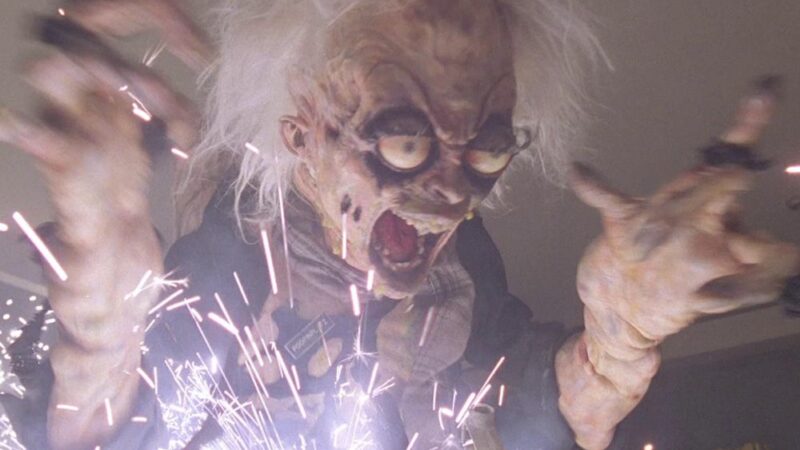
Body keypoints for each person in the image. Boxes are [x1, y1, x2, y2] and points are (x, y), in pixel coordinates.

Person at [0, 0, 797, 449]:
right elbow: (101, 431)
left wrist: (618, 342)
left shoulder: (462, 262)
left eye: (486, 147)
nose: (450, 193)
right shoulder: (237, 254)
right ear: (302, 133)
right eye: (403, 139)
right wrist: (101, 327)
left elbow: (532, 404)